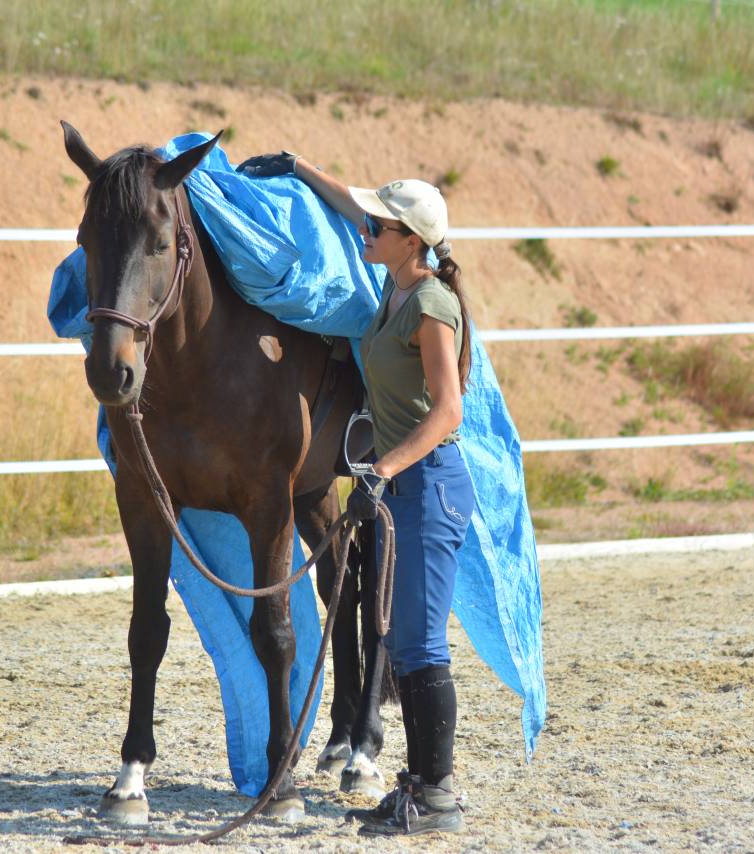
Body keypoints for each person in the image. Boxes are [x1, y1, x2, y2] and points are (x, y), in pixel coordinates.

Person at [236, 151, 475, 837]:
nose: (365, 227)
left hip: (427, 486)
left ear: (409, 240)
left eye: (379, 223)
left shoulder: (429, 303)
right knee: (403, 644)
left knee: (423, 646)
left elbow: (448, 411)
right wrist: (302, 167)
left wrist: (383, 469)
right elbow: (349, 205)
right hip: (404, 488)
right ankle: (422, 786)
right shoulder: (395, 287)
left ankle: (437, 798)